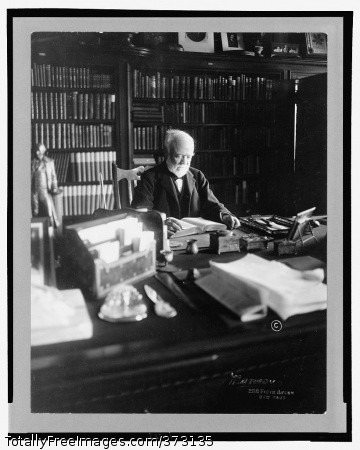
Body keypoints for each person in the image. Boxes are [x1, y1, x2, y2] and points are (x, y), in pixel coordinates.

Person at [131, 129, 240, 235]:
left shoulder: (198, 176)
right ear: (166, 152)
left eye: (188, 157)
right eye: (178, 156)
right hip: (164, 237)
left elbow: (212, 204)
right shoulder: (149, 177)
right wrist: (161, 223)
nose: (184, 162)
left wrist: (225, 216)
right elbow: (140, 212)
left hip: (194, 237)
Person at [31, 143, 60, 227]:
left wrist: (54, 187)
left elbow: (53, 177)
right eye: (36, 151)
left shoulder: (49, 162)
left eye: (39, 151)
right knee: (34, 213)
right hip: (33, 192)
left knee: (49, 212)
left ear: (43, 151)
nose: (37, 153)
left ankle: (50, 233)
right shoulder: (30, 163)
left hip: (44, 191)